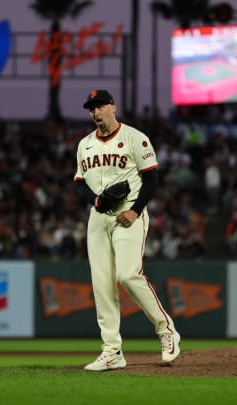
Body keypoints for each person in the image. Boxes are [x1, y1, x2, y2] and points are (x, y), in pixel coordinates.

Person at [74, 90, 180, 371]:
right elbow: (79, 183)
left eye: (100, 106)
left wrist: (135, 210)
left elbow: (152, 179)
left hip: (128, 215)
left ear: (113, 107)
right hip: (98, 219)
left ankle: (166, 330)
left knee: (127, 274)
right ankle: (112, 351)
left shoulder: (135, 137)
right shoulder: (85, 145)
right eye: (91, 108)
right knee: (102, 284)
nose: (95, 113)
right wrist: (95, 200)